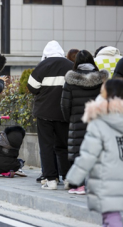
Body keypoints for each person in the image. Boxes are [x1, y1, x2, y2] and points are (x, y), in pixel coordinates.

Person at [66, 79, 123, 227]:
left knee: (112, 216)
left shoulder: (100, 122)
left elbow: (88, 155)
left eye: (102, 91)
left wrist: (74, 179)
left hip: (107, 177)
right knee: (109, 219)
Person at [61, 50, 109, 195]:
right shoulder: (102, 79)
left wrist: (68, 119)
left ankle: (80, 185)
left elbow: (64, 105)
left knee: (78, 153)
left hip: (77, 122)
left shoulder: (70, 81)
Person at [27, 40, 73, 190]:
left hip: (44, 112)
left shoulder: (43, 65)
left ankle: (51, 179)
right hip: (63, 113)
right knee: (63, 146)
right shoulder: (69, 65)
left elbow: (32, 87)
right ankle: (67, 178)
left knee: (46, 146)